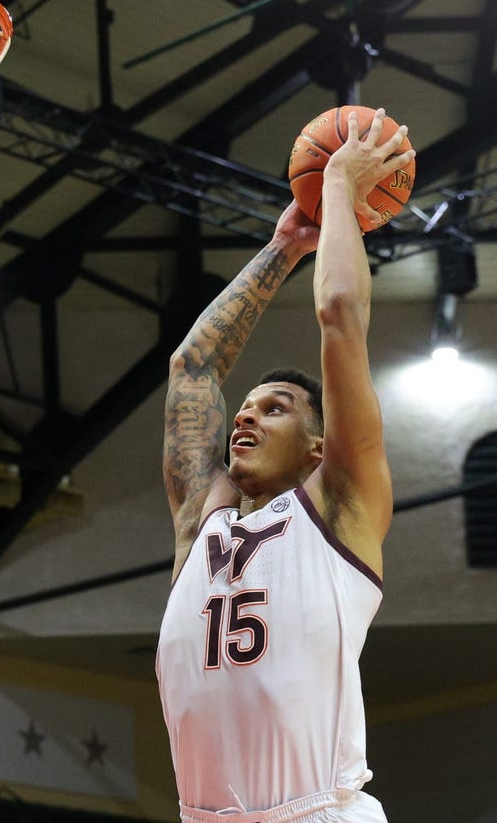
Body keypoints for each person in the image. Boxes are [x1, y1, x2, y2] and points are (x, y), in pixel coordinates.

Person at [156, 108, 413, 823]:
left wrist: (338, 187)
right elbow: (193, 366)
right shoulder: (199, 522)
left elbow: (338, 311)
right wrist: (279, 249)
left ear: (318, 448)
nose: (244, 415)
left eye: (273, 409)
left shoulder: (341, 506)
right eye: (246, 406)